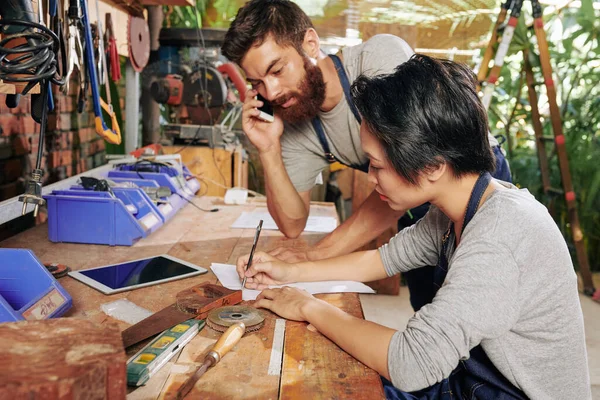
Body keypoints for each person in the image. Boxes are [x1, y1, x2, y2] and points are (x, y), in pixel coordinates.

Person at [235, 55, 590, 399]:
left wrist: (308, 307)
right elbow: (382, 260)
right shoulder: (459, 207)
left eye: (376, 165)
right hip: (473, 383)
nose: (370, 179)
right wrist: (289, 271)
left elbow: (411, 362)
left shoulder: (499, 238)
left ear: (432, 166)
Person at [222, 0, 511, 310]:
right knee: (429, 307)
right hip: (412, 208)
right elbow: (293, 225)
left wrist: (315, 254)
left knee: (484, 313)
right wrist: (268, 149)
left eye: (277, 70)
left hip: (470, 183)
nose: (271, 92)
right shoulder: (292, 115)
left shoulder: (378, 61)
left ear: (310, 43)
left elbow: (405, 173)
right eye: (257, 83)